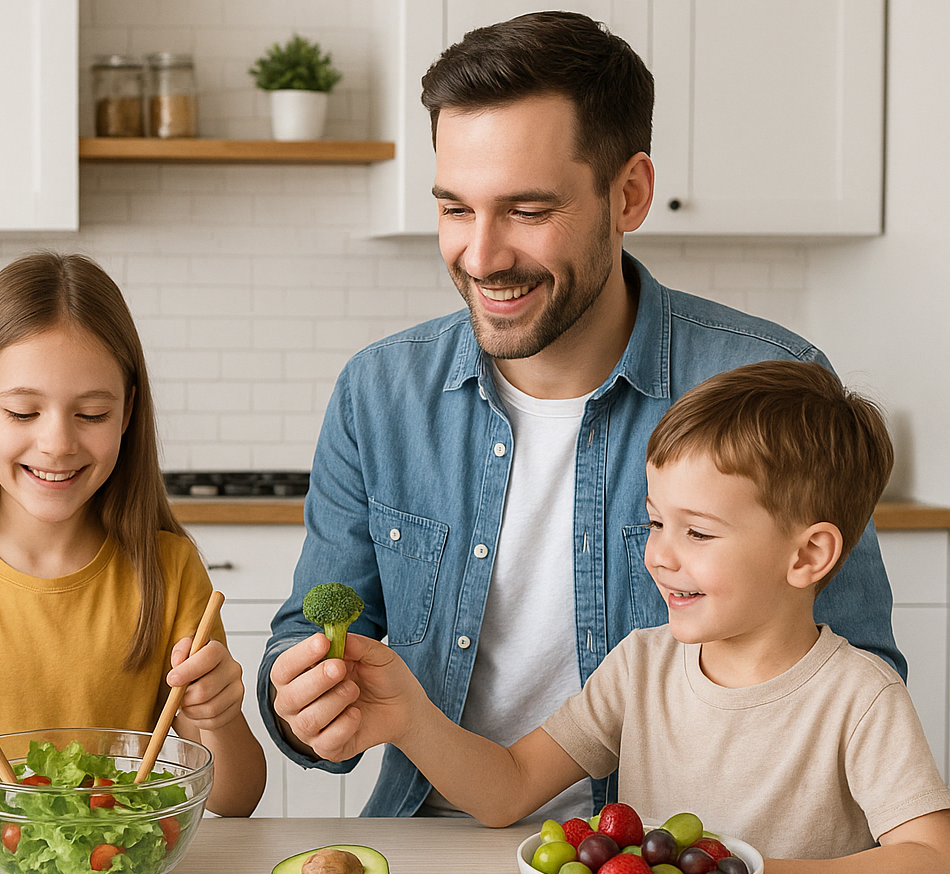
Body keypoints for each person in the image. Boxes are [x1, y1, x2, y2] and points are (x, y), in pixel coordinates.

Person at [259, 11, 903, 819]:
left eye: (527, 211)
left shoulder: (768, 384)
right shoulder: (379, 392)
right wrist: (304, 699)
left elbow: (857, 677)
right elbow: (306, 632)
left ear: (628, 193)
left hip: (671, 868)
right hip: (436, 846)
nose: (482, 256)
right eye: (455, 209)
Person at [341, 362, 950, 874]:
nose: (658, 554)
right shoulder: (642, 667)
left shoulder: (860, 695)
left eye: (699, 534)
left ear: (808, 554)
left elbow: (934, 868)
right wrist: (410, 720)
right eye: (657, 522)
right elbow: (508, 789)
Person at [0, 251, 266, 818]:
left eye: (91, 415)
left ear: (128, 413)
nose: (57, 443)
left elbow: (238, 800)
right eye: (23, 412)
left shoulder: (170, 568)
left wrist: (221, 718)